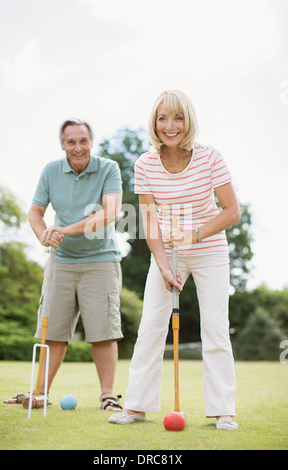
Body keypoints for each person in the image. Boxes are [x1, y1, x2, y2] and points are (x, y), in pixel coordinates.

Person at [109, 90, 240, 429]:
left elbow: (232, 211)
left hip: (210, 250)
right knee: (152, 325)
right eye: (163, 118)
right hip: (168, 252)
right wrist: (164, 265)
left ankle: (222, 409)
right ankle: (136, 405)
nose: (170, 125)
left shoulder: (210, 157)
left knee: (215, 327)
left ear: (188, 121)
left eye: (178, 117)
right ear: (154, 123)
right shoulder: (145, 164)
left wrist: (195, 235)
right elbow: (150, 222)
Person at [5, 119, 123, 412]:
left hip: (100, 260)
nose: (78, 147)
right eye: (71, 142)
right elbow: (35, 211)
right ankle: (40, 393)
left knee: (103, 332)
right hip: (61, 261)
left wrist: (63, 229)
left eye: (83, 140)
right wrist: (43, 233)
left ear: (91, 142)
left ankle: (107, 396)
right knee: (53, 331)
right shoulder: (50, 171)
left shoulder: (108, 169)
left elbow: (110, 213)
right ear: (62, 145)